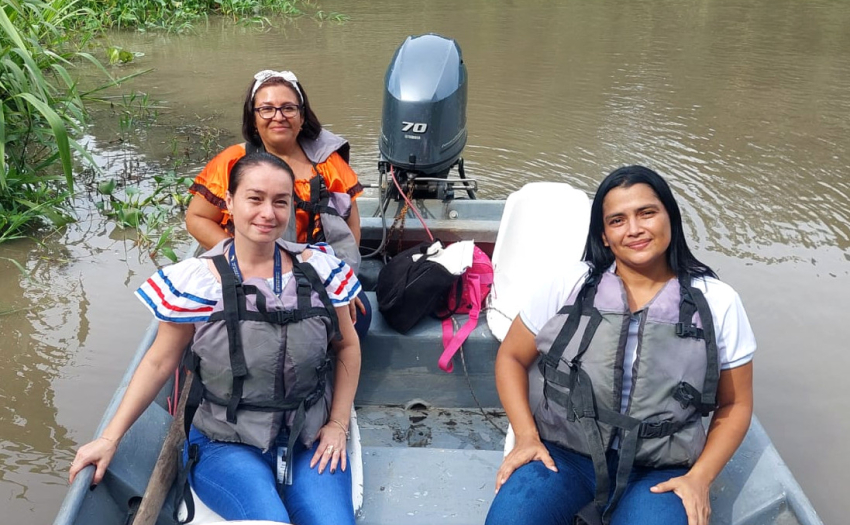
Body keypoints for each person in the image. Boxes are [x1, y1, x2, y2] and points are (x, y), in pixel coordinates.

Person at [69, 153, 362, 525]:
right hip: (225, 441)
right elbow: (159, 362)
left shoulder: (320, 269)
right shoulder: (197, 282)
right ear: (230, 202)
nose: (268, 213)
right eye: (254, 199)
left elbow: (347, 346)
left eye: (280, 201)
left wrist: (337, 424)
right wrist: (109, 439)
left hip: (307, 437)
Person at [485, 165, 755, 525]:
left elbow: (735, 403)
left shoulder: (718, 302)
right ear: (605, 235)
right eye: (617, 220)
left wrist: (700, 477)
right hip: (565, 455)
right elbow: (512, 357)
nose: (634, 229)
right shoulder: (570, 284)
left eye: (647, 213)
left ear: (670, 218)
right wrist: (526, 437)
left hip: (659, 466)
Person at [185, 69, 370, 337]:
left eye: (288, 108)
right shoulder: (232, 161)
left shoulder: (327, 162)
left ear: (302, 116)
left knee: (358, 317)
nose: (278, 116)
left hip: (317, 265)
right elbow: (197, 218)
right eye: (267, 109)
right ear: (254, 117)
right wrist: (237, 261)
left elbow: (349, 222)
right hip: (250, 263)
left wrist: (341, 277)